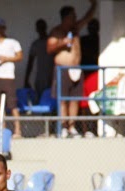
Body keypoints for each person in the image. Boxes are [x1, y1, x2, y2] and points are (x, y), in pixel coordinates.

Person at [47, 1, 97, 136]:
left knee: (75, 99)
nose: (75, 18)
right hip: (62, 69)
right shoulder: (56, 32)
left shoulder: (75, 29)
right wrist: (62, 43)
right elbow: (49, 48)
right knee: (63, 99)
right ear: (65, 17)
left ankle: (72, 126)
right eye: (72, 16)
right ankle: (63, 126)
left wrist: (94, 4)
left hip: (76, 69)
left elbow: (87, 17)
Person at [24, 18, 53, 103]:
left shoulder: (51, 42)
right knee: (40, 99)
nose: (41, 29)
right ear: (36, 29)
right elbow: (30, 62)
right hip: (40, 77)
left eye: (42, 26)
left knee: (52, 98)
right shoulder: (35, 44)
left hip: (52, 75)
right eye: (39, 27)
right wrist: (26, 79)